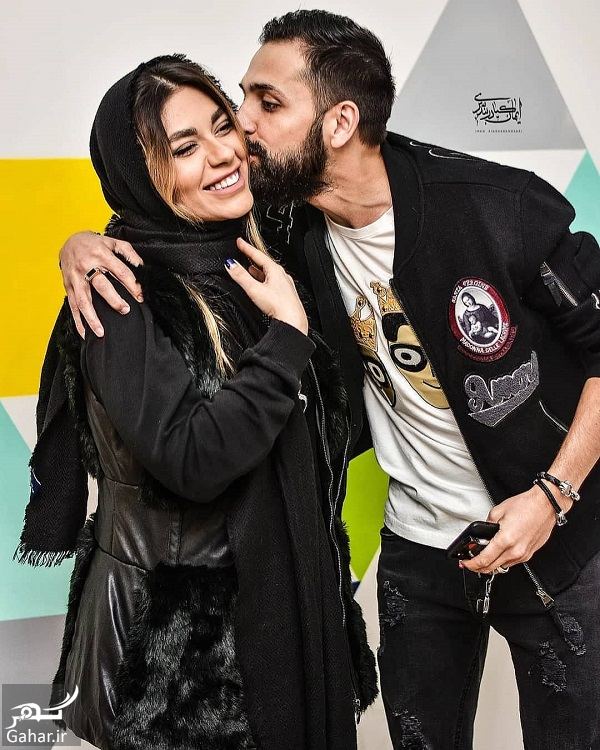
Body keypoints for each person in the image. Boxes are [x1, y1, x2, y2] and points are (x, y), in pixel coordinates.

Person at [58, 10, 600, 750]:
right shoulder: (282, 226)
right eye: (239, 102)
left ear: (340, 122)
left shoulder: (493, 206)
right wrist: (82, 244)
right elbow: (160, 211)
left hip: (553, 538)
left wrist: (553, 495)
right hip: (418, 555)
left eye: (265, 104)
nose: (241, 130)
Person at [15, 53, 377, 750]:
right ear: (139, 174)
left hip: (287, 625)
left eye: (222, 126)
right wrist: (287, 339)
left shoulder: (257, 252)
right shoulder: (121, 294)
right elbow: (192, 460)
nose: (221, 154)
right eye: (184, 147)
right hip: (179, 677)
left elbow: (366, 156)